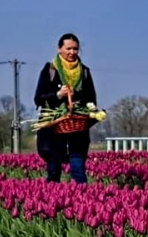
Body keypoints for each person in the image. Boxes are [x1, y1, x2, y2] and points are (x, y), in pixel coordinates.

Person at [34, 33, 98, 184]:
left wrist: (77, 96)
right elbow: (38, 98)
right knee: (54, 171)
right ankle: (53, 201)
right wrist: (58, 94)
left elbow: (92, 100)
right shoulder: (50, 70)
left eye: (75, 49)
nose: (72, 52)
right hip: (54, 130)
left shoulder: (85, 72)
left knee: (78, 170)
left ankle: (83, 202)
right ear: (59, 49)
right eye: (68, 48)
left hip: (77, 128)